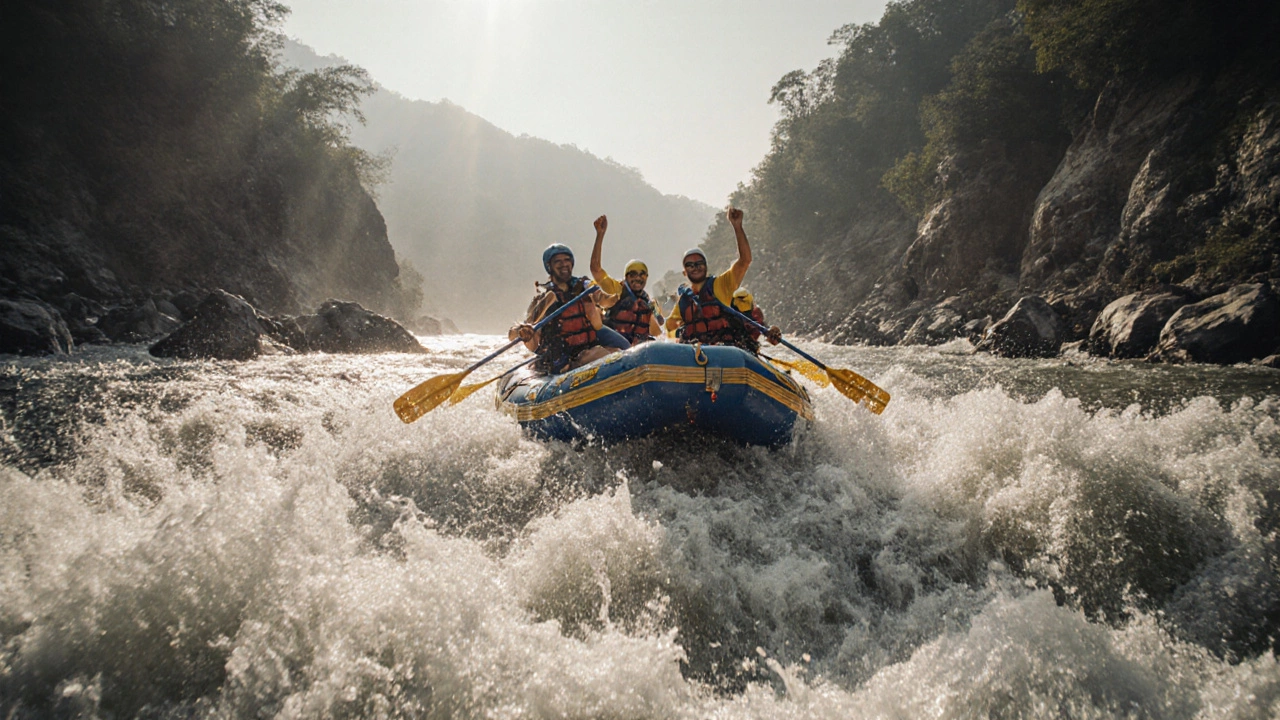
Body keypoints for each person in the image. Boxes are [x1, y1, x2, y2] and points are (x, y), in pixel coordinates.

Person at [509, 243, 623, 374]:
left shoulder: (583, 288)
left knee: (619, 351)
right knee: (601, 355)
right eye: (558, 261)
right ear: (549, 267)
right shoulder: (544, 297)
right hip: (561, 360)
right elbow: (518, 329)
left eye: (567, 260)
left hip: (585, 351)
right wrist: (522, 331)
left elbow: (605, 300)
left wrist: (616, 295)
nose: (564, 264)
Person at [666, 206, 754, 345]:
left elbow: (745, 261)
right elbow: (669, 328)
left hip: (723, 350)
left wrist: (737, 227)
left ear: (706, 267)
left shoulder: (721, 284)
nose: (695, 267)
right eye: (690, 265)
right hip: (695, 354)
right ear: (684, 272)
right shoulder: (683, 300)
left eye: (699, 263)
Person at [588, 214, 664, 346]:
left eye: (642, 274)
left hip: (636, 348)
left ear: (646, 277)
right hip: (615, 346)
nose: (638, 278)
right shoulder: (617, 290)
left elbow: (658, 331)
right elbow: (596, 269)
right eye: (633, 274)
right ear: (626, 277)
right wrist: (600, 235)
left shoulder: (650, 302)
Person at [725, 287, 782, 354]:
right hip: (726, 346)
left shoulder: (755, 314)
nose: (743, 307)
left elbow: (773, 340)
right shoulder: (724, 313)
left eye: (746, 304)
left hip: (747, 349)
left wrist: (772, 333)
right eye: (739, 303)